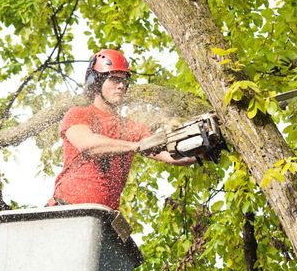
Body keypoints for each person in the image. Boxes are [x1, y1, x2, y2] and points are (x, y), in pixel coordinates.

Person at [48, 49, 195, 210]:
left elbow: (172, 156)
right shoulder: (79, 113)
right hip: (66, 211)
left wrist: (201, 149)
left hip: (103, 217)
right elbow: (87, 144)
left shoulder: (132, 128)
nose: (121, 86)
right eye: (114, 79)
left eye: (124, 81)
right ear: (96, 82)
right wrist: (133, 146)